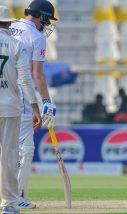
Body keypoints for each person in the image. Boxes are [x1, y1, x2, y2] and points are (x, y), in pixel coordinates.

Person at [9, 0, 58, 209]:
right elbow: (37, 74)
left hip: (4, 89)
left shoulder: (9, 28)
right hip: (21, 92)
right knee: (25, 149)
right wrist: (46, 102)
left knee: (8, 146)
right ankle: (16, 196)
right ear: (41, 16)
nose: (46, 25)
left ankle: (12, 194)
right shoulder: (36, 37)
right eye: (46, 20)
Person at [0, 6, 41, 214]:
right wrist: (35, 108)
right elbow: (26, 80)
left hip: (9, 107)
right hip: (10, 107)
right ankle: (9, 204)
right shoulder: (17, 45)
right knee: (8, 156)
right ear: (9, 24)